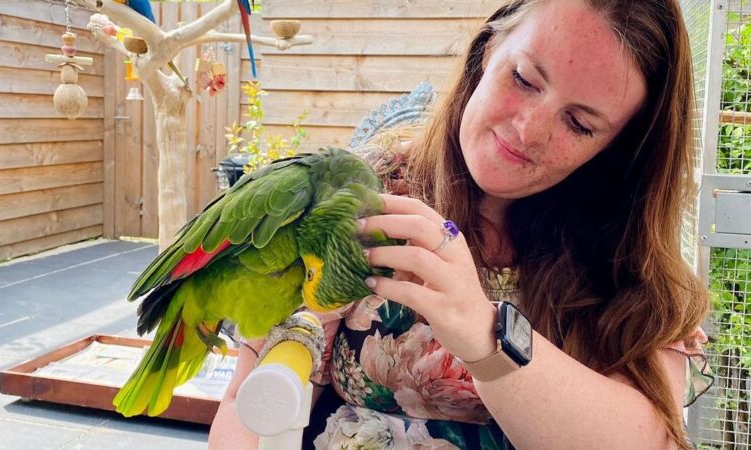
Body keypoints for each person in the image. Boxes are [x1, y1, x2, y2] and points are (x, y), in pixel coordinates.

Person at [209, 0, 715, 448]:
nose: (527, 130)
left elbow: (647, 439)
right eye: (523, 78)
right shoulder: (366, 194)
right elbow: (249, 405)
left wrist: (485, 337)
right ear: (488, 49)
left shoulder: (633, 262)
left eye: (579, 123)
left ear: (618, 148)